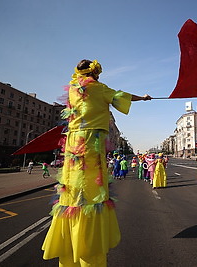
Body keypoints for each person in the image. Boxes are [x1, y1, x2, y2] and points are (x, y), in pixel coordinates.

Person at [42, 59, 151, 266]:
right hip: (91, 143)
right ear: (96, 75)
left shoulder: (74, 88)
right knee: (92, 188)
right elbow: (122, 97)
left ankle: (70, 245)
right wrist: (144, 98)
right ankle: (88, 246)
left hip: (73, 142)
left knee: (71, 189)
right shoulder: (99, 88)